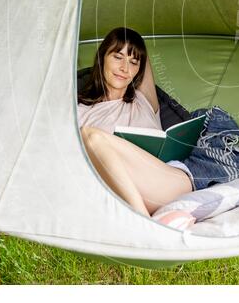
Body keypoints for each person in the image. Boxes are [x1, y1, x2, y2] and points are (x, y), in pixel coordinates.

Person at [77, 27, 193, 217]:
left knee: (93, 137)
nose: (125, 68)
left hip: (169, 182)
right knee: (92, 138)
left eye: (133, 62)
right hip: (118, 190)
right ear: (102, 57)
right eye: (117, 57)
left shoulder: (144, 100)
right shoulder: (81, 112)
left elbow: (142, 52)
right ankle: (147, 217)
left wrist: (131, 46)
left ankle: (142, 220)